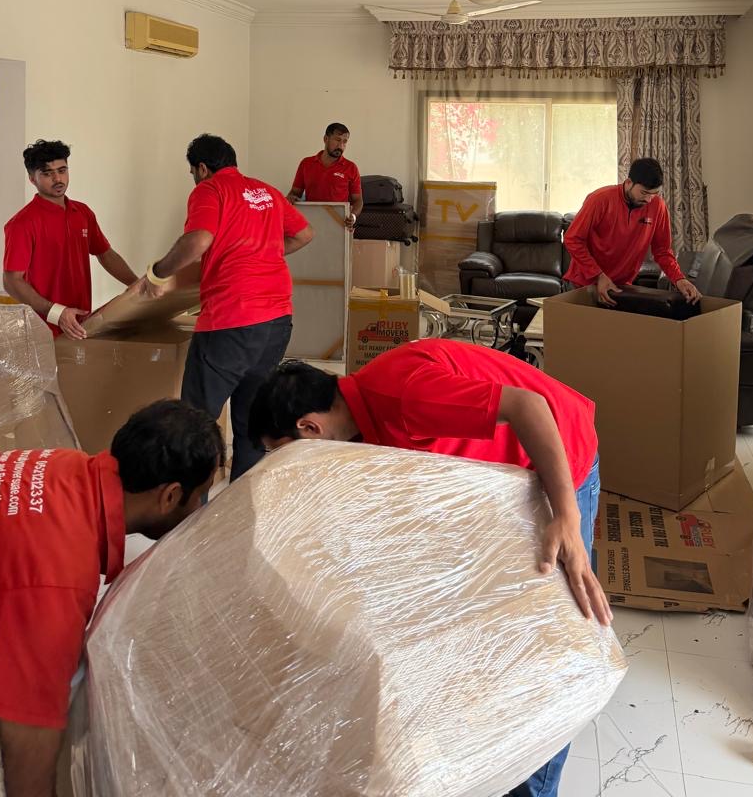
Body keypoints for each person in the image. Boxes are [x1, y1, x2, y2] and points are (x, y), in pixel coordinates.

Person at [248, 337, 612, 797]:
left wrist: (566, 516)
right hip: (498, 477)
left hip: (557, 455)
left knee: (548, 639)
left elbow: (528, 406)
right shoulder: (362, 421)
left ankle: (533, 790)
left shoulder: (402, 396)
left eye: (283, 451)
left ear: (309, 428)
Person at [0, 399, 224, 797]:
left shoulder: (67, 468)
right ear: (170, 496)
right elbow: (27, 741)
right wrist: (29, 710)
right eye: (200, 497)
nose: (199, 510)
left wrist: (17, 692)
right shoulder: (57, 579)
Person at [141, 133, 314, 480]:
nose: (194, 178)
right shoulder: (266, 192)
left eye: (193, 172)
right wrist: (263, 252)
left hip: (232, 319)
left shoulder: (210, 190)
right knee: (251, 417)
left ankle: (193, 504)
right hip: (277, 320)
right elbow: (304, 234)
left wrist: (158, 272)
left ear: (202, 168)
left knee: (196, 422)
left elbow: (198, 240)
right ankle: (239, 502)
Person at [2, 140, 138, 341]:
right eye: (47, 173)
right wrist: (56, 313)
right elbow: (11, 281)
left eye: (62, 170)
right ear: (32, 179)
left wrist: (137, 284)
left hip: (81, 324)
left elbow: (105, 254)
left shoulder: (82, 213)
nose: (57, 178)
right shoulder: (22, 223)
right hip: (42, 330)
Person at [563, 157, 701, 307]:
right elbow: (572, 239)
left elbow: (662, 251)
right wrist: (598, 275)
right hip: (582, 284)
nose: (648, 200)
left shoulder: (658, 207)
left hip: (619, 289)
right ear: (629, 182)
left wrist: (679, 279)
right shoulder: (599, 199)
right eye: (644, 193)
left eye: (654, 194)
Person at [287, 122, 363, 230]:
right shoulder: (306, 164)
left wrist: (353, 216)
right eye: (337, 140)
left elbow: (358, 201)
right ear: (326, 139)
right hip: (311, 223)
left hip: (339, 224)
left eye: (344, 141)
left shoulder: (351, 168)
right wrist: (290, 199)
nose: (341, 146)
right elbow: (294, 193)